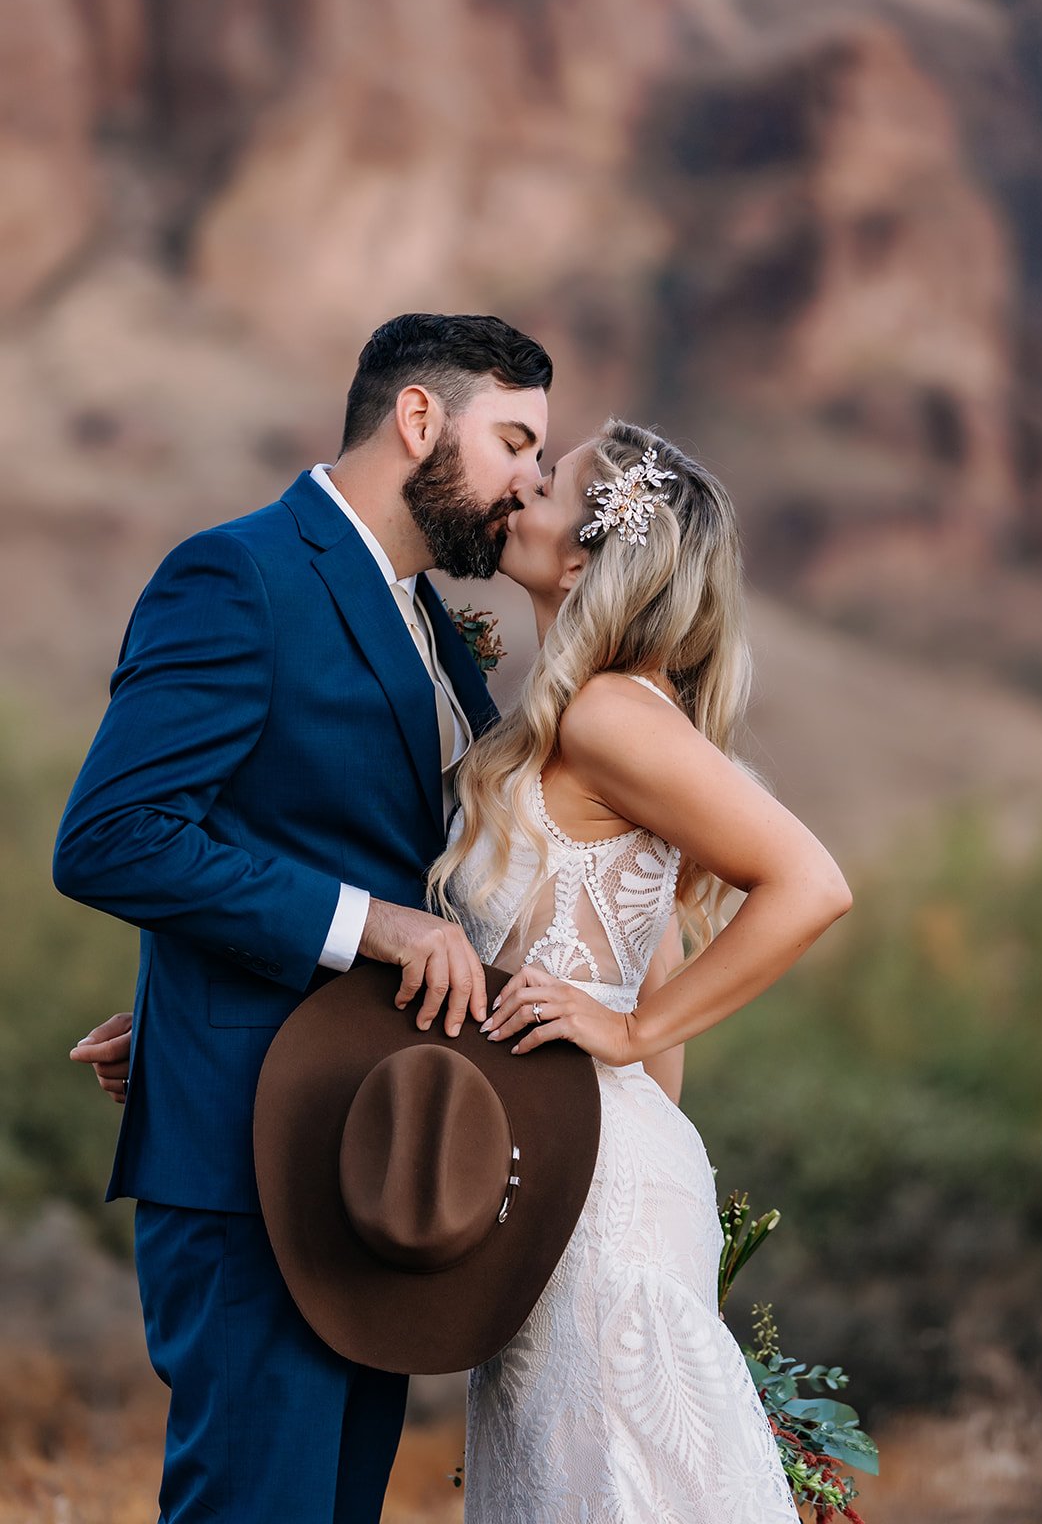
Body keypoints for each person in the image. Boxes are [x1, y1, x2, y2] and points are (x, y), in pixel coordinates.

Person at [74, 416, 852, 1519]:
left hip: (586, 1169)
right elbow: (620, 955)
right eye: (523, 453)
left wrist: (621, 1043)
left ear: (580, 555)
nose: (522, 485)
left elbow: (809, 882)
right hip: (563, 1160)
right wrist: (190, 1019)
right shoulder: (546, 713)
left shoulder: (602, 714)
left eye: (547, 475)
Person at [55, 311, 552, 1524]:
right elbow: (113, 835)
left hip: (357, 1155)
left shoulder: (430, 621)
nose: (532, 482)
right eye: (516, 442)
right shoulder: (240, 575)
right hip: (246, 1169)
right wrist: (369, 928)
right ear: (418, 419)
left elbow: (275, 829)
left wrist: (194, 982)